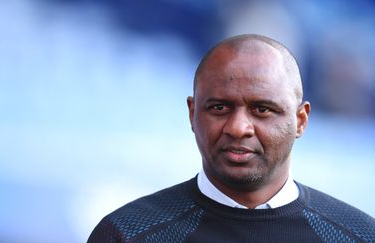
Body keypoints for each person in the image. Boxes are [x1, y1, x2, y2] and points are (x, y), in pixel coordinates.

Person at [87, 34, 375, 242]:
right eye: (220, 108)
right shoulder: (126, 233)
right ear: (192, 113)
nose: (238, 128)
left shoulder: (357, 236)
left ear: (300, 120)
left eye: (262, 109)